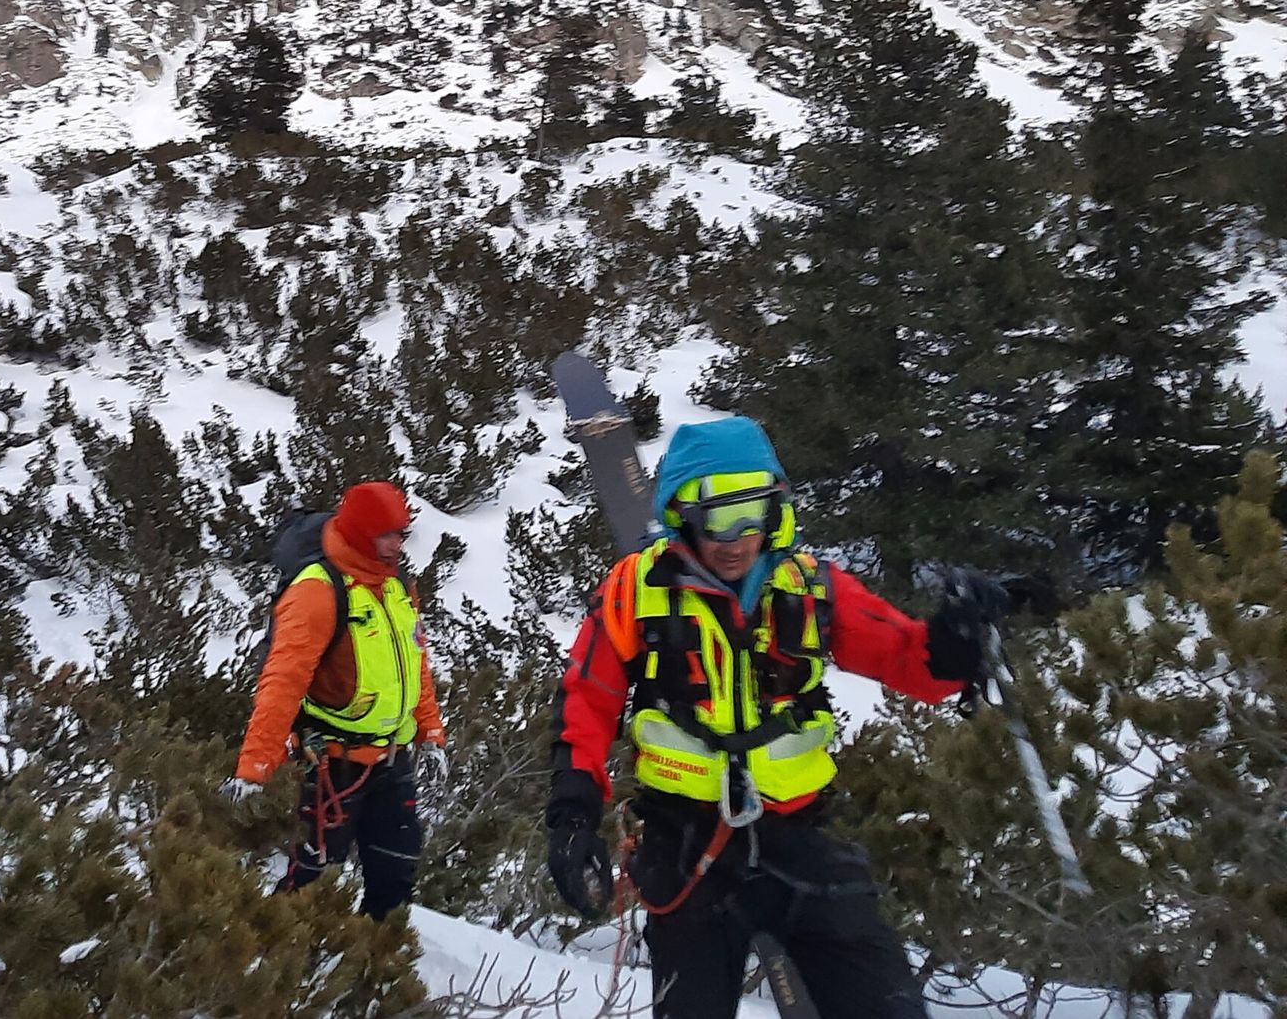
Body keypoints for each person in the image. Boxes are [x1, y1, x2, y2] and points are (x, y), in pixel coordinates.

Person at [544, 416, 1007, 1018]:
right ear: (682, 516)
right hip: (686, 850)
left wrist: (955, 636)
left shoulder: (812, 587)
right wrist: (573, 814)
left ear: (774, 511)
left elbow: (912, 663)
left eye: (751, 516)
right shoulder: (636, 591)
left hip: (801, 838)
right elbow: (587, 699)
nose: (735, 539)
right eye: (716, 520)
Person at [220, 480, 448, 918]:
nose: (398, 544)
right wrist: (255, 768)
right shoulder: (317, 590)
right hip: (331, 763)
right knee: (311, 879)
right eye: (387, 535)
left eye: (401, 534)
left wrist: (431, 730)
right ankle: (277, 951)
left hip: (392, 758)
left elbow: (415, 661)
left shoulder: (397, 583)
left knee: (396, 871)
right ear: (362, 533)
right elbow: (282, 682)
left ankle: (376, 951)